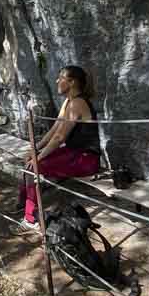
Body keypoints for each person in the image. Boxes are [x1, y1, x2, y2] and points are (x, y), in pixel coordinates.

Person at [18, 65, 102, 228]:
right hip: (73, 154)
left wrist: (38, 157)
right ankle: (25, 205)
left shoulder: (78, 103)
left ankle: (31, 218)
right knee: (29, 162)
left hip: (85, 159)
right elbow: (54, 129)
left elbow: (59, 137)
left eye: (61, 78)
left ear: (71, 82)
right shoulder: (68, 102)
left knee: (32, 167)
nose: (57, 81)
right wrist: (35, 149)